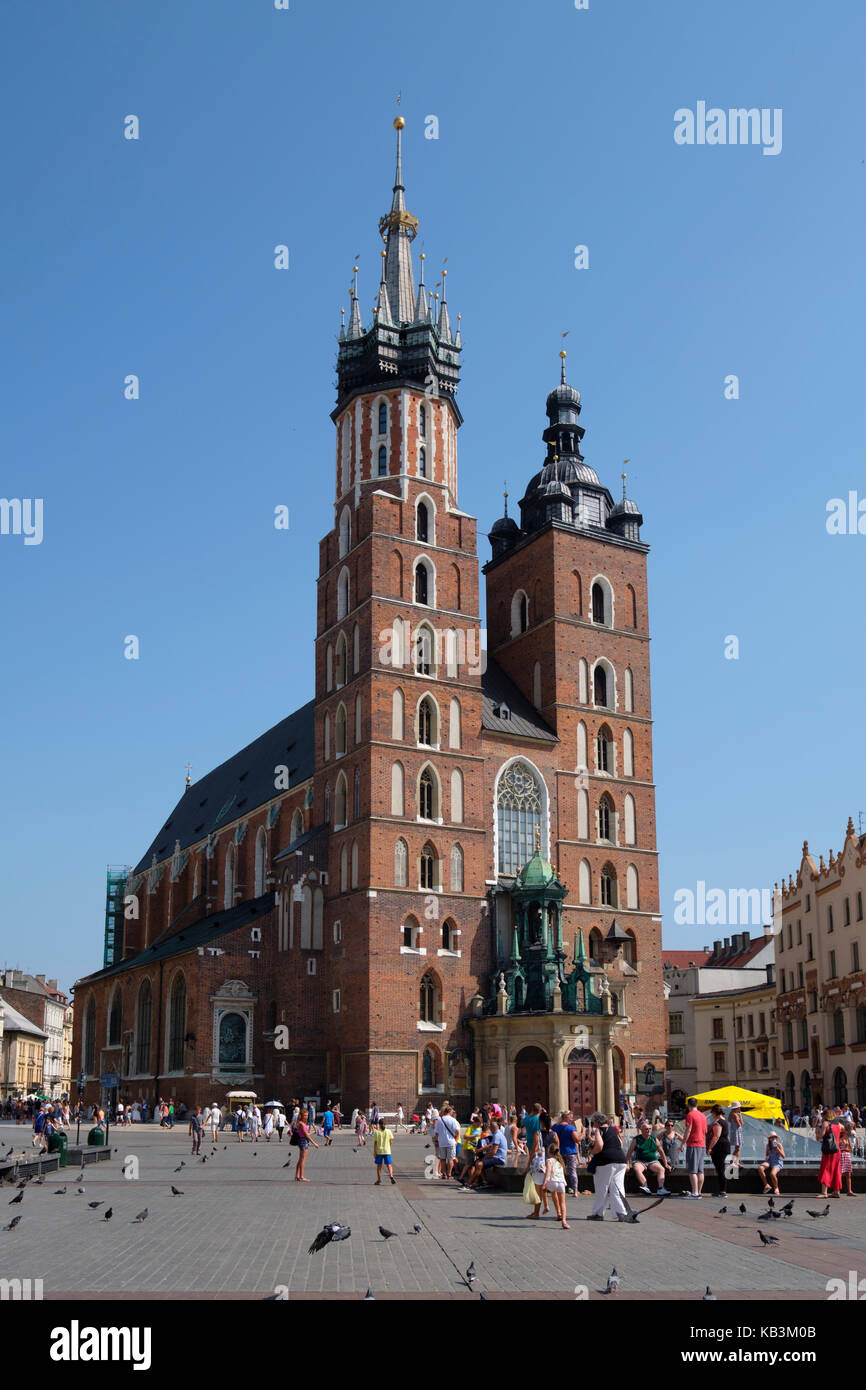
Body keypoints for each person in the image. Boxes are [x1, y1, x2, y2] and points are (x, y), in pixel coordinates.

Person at [587, 1113, 629, 1221]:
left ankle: (598, 1214)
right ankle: (621, 1213)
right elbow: (620, 1144)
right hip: (621, 1160)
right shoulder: (613, 1130)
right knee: (618, 1187)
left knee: (602, 1187)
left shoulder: (598, 1130)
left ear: (597, 1122)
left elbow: (600, 1146)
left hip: (606, 1161)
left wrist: (592, 1151)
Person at [627, 1119, 672, 1195]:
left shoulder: (654, 1139)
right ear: (641, 1130)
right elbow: (629, 1152)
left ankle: (661, 1189)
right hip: (639, 1161)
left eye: (649, 1129)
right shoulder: (637, 1139)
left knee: (661, 1169)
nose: (648, 1130)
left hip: (652, 1161)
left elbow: (661, 1152)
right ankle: (645, 1187)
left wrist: (666, 1164)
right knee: (637, 1168)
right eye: (646, 1129)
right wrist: (627, 1164)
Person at [466, 1117, 508, 1190]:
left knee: (479, 1164)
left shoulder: (496, 1135)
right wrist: (483, 1155)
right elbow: (491, 1146)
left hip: (499, 1158)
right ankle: (483, 1182)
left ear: (492, 1128)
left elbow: (494, 1152)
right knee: (478, 1163)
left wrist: (485, 1158)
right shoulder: (498, 1134)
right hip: (497, 1157)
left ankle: (469, 1183)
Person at [680, 1098, 707, 1199]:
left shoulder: (690, 1115)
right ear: (697, 1105)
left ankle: (694, 1193)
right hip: (702, 1144)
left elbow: (688, 1130)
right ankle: (699, 1192)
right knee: (700, 1171)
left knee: (692, 1170)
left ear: (688, 1105)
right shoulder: (703, 1116)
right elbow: (705, 1130)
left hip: (693, 1144)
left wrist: (683, 1143)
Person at [552, 1111, 584, 1195]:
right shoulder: (570, 1128)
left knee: (559, 1171)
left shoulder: (555, 1127)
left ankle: (560, 1189)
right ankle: (575, 1191)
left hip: (559, 1152)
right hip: (570, 1152)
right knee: (572, 1172)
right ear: (566, 1117)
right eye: (570, 1117)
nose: (572, 1119)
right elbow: (577, 1140)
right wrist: (583, 1132)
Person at [542, 1134, 570, 1229]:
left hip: (552, 1182)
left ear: (549, 1152)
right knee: (563, 1203)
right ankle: (564, 1221)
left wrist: (545, 1182)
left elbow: (548, 1171)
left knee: (544, 1190)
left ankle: (546, 1206)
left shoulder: (549, 1161)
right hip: (561, 1183)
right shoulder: (560, 1161)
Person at [816, 1107, 843, 1198]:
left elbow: (821, 1136)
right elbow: (847, 1129)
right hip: (836, 1149)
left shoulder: (825, 1123)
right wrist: (841, 1139)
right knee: (836, 1170)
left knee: (826, 1168)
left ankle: (824, 1193)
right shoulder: (838, 1124)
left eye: (823, 1115)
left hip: (828, 1150)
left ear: (826, 1116)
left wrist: (818, 1130)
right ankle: (836, 1191)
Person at [705, 1105, 730, 1199]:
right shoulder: (724, 1121)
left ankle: (723, 1191)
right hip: (724, 1146)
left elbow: (716, 1136)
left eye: (712, 1112)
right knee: (720, 1169)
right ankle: (721, 1190)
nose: (711, 1114)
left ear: (714, 1113)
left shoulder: (718, 1123)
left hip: (719, 1147)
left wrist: (710, 1148)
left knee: (720, 1169)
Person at [434, 1105, 460, 1179]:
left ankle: (444, 1174)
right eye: (452, 1111)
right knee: (450, 1159)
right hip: (451, 1142)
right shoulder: (453, 1120)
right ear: (450, 1112)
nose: (452, 1112)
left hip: (442, 1142)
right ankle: (449, 1174)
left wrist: (437, 1140)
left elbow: (436, 1133)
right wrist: (456, 1141)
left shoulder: (440, 1120)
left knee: (442, 1159)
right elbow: (457, 1132)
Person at [293, 1108, 318, 1181]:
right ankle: (301, 1176)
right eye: (304, 1115)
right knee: (303, 1160)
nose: (306, 1117)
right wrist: (314, 1143)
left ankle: (297, 1176)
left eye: (307, 1115)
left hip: (303, 1141)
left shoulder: (302, 1123)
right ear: (301, 1116)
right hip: (303, 1141)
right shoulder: (301, 1124)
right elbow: (306, 1135)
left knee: (300, 1159)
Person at [373, 1118, 396, 1185]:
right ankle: (391, 1175)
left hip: (379, 1151)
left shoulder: (377, 1132)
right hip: (387, 1151)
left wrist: (375, 1152)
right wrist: (388, 1146)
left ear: (379, 1125)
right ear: (385, 1124)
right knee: (389, 1165)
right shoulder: (389, 1131)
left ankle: (379, 1180)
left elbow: (375, 1143)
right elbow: (391, 1142)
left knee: (379, 1166)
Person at [839, 1123, 855, 1195]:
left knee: (848, 1174)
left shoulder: (847, 1138)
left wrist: (848, 1148)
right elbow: (837, 1148)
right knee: (839, 1174)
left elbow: (851, 1148)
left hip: (847, 1156)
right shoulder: (839, 1137)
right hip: (841, 1156)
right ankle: (837, 1190)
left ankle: (849, 1190)